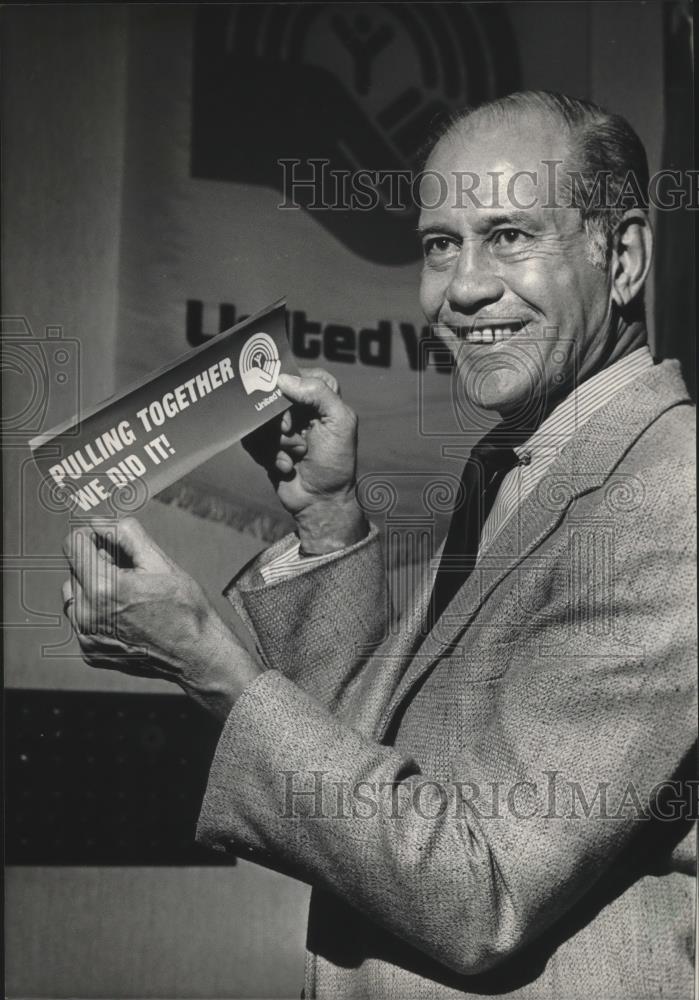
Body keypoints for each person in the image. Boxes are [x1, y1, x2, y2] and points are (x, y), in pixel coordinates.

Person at [62, 92, 696, 999]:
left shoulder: (668, 496)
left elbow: (478, 893)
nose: (463, 288)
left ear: (622, 256)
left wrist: (210, 666)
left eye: (510, 235)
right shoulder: (523, 459)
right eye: (441, 244)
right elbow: (389, 766)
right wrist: (327, 523)